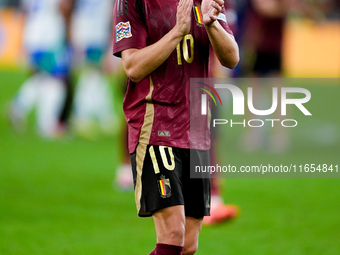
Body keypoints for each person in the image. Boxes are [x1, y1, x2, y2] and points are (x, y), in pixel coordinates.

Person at [112, 0, 239, 254]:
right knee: (173, 235)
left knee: (188, 245)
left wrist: (211, 23)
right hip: (155, 126)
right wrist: (177, 32)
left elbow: (232, 57)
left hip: (196, 131)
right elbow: (133, 66)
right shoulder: (132, 3)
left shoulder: (206, 1)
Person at [8, 0, 72, 138]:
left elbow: (23, 13)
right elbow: (64, 7)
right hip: (49, 38)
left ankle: (18, 107)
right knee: (57, 81)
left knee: (42, 78)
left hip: (32, 37)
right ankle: (46, 124)